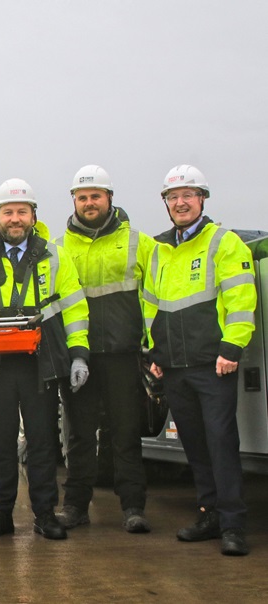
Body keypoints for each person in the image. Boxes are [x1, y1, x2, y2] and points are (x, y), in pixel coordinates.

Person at [0, 178, 89, 540]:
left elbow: (74, 307)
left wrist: (78, 355)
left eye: (21, 212)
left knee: (42, 440)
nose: (15, 218)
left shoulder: (54, 256)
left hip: (39, 363)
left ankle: (45, 514)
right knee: (1, 442)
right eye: (8, 212)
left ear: (33, 216)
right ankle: (0, 513)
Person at [144, 165, 256, 556]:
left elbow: (241, 300)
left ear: (202, 198)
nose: (180, 202)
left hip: (213, 365)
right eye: (173, 197)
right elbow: (151, 306)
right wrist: (154, 353)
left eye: (188, 194)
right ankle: (208, 514)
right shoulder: (160, 251)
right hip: (173, 368)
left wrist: (232, 348)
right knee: (193, 445)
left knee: (221, 442)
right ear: (166, 204)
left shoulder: (224, 243)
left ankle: (232, 524)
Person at [54, 165, 156, 533]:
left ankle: (132, 507)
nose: (89, 202)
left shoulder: (137, 242)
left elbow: (154, 296)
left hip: (121, 353)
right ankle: (75, 506)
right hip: (77, 355)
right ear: (74, 201)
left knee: (124, 432)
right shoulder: (60, 247)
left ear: (110, 198)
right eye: (82, 197)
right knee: (79, 434)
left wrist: (151, 347)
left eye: (95, 195)